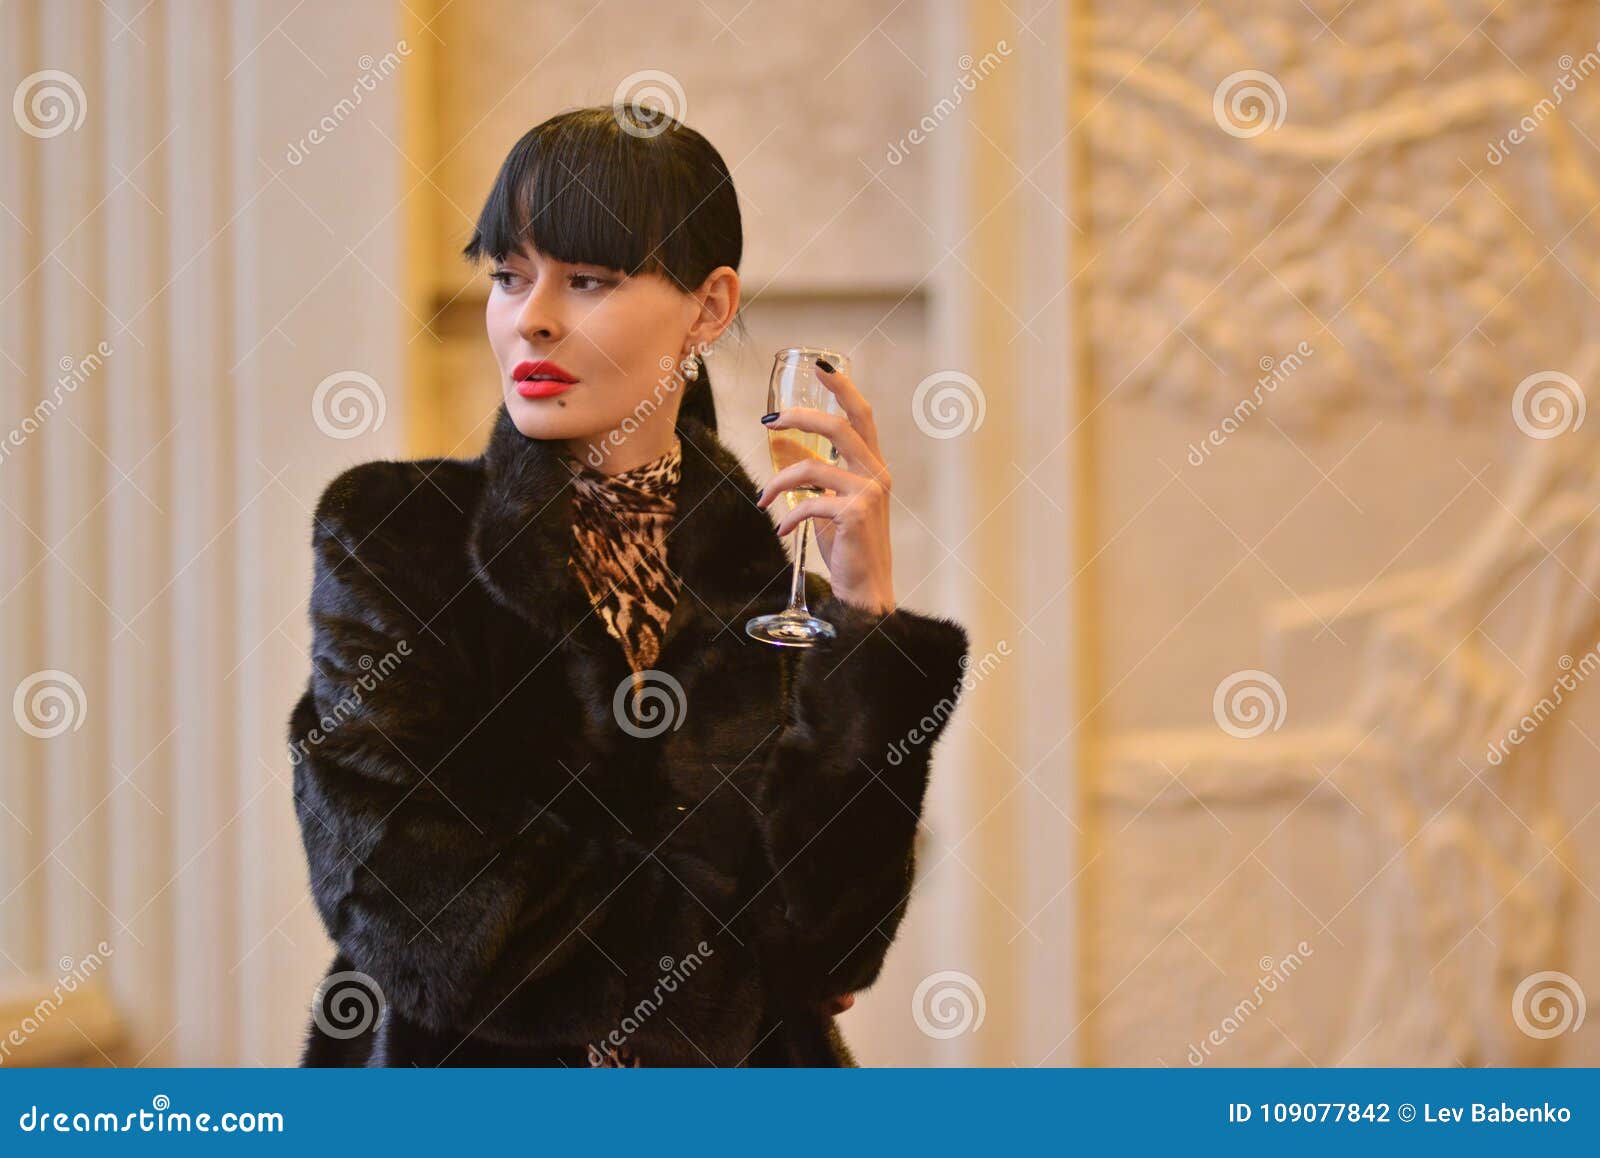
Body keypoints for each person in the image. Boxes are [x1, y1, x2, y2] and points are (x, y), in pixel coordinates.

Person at [288, 104, 970, 1066]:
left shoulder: (770, 580)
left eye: (590, 279)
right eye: (509, 276)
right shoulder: (399, 538)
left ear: (711, 306)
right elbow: (416, 908)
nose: (532, 316)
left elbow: (832, 943)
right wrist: (743, 963)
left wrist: (865, 610)